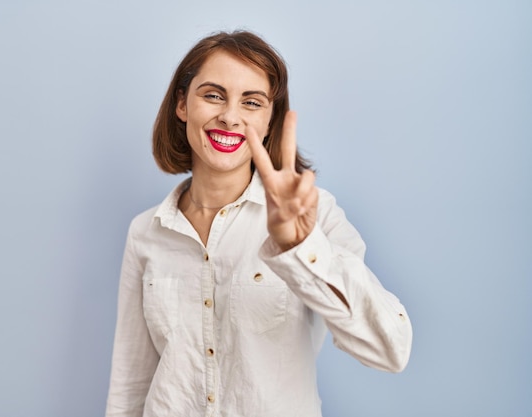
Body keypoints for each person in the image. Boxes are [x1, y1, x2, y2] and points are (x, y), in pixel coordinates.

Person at [105, 30, 412, 417]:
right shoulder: (145, 231)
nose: (230, 117)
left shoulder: (315, 214)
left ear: (270, 121)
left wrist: (300, 247)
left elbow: (391, 349)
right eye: (213, 95)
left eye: (252, 102)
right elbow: (131, 385)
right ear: (182, 104)